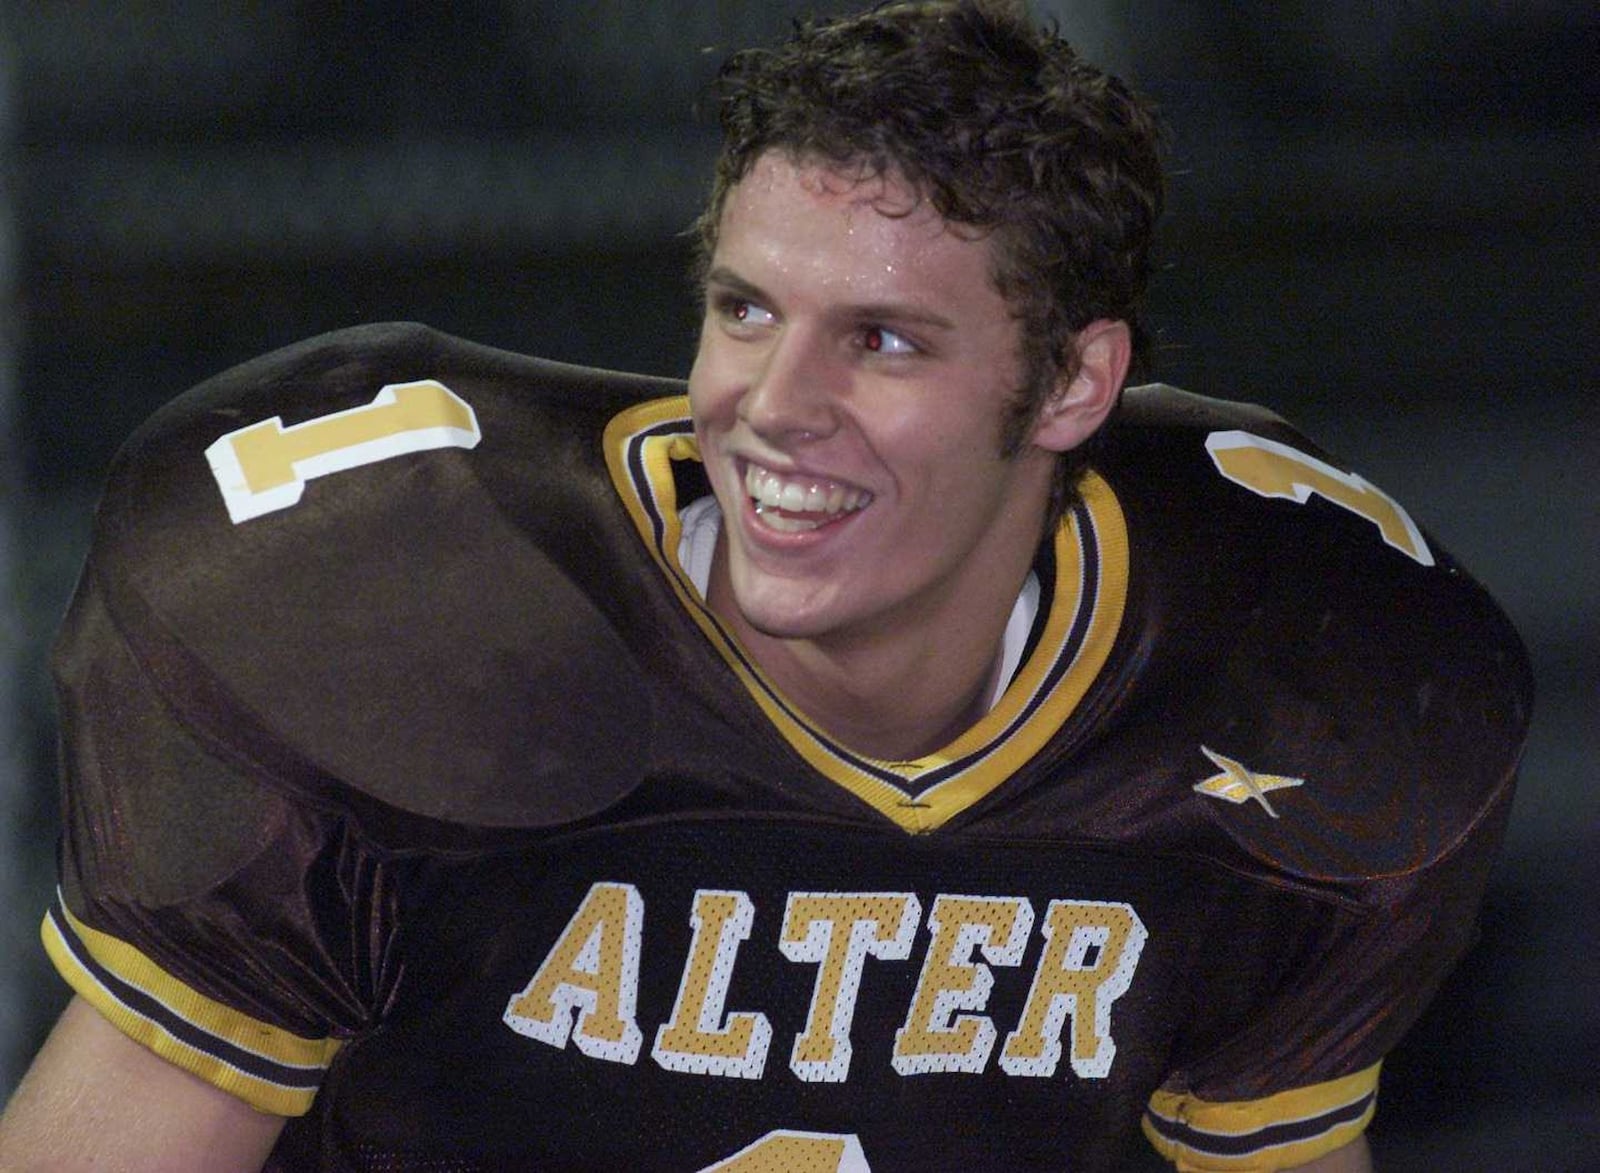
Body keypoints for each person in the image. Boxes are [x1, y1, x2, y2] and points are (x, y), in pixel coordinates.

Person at [0, 2, 1531, 1170]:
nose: (773, 403)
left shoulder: (1299, 677)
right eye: (745, 309)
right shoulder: (394, 613)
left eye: (881, 339)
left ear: (1074, 383)